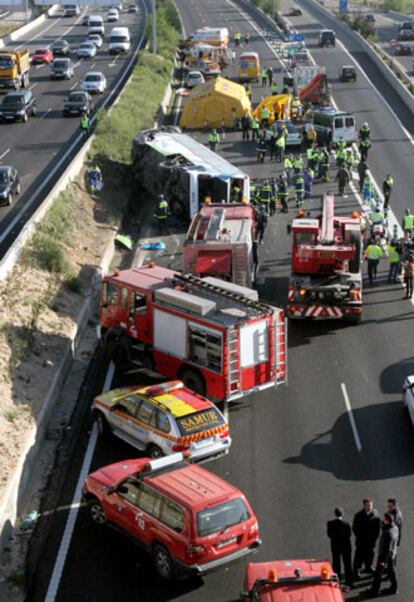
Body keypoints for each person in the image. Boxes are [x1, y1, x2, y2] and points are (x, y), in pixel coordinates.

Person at [366, 513, 398, 597]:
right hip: (393, 554)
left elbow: (386, 549)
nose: (383, 520)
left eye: (384, 519)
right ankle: (394, 588)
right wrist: (383, 526)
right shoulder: (395, 528)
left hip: (384, 556)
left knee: (378, 573)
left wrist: (383, 561)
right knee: (391, 572)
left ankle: (374, 590)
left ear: (387, 520)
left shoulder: (388, 533)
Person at [352, 499, 381, 581]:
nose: (370, 507)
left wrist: (375, 538)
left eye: (371, 505)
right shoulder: (359, 515)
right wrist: (360, 537)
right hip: (361, 541)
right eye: (368, 506)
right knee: (358, 557)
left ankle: (368, 566)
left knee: (370, 555)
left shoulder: (375, 513)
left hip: (371, 541)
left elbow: (377, 528)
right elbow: (355, 528)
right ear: (364, 505)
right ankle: (356, 571)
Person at [327, 507, 353, 590]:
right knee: (347, 564)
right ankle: (349, 581)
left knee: (336, 563)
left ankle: (336, 580)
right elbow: (349, 535)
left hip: (335, 546)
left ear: (334, 514)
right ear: (342, 514)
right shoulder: (346, 524)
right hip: (345, 546)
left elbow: (329, 535)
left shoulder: (330, 523)